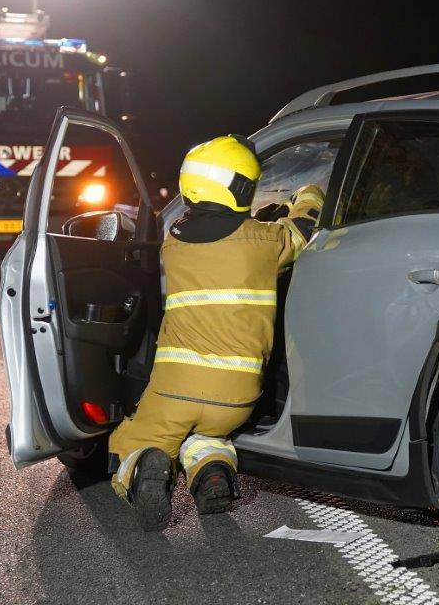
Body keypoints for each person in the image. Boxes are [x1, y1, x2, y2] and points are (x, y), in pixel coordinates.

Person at [108, 134, 324, 530]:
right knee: (211, 435)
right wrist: (308, 194)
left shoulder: (173, 245)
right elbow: (301, 229)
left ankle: (143, 468)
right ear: (241, 188)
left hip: (175, 389)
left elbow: (215, 235)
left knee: (134, 439)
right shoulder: (264, 242)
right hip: (238, 396)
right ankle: (212, 471)